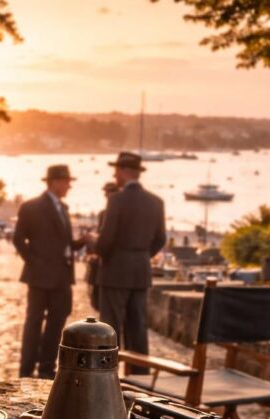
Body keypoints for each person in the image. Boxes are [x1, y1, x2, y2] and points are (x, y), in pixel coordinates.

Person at [13, 164, 90, 379]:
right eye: (66, 182)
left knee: (58, 320)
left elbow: (63, 242)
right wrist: (34, 262)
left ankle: (46, 367)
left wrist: (79, 242)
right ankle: (26, 369)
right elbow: (18, 239)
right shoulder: (31, 206)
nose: (69, 186)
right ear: (54, 182)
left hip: (62, 277)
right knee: (34, 321)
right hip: (39, 276)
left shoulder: (63, 208)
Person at [96, 152, 167, 372]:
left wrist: (97, 248)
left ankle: (106, 377)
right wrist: (142, 255)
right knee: (138, 327)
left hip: (115, 271)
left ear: (124, 172)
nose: (114, 175)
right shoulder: (156, 202)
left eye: (116, 170)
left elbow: (106, 239)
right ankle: (140, 378)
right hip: (140, 270)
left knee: (110, 328)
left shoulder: (116, 200)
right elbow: (161, 238)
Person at [86, 181, 119, 310]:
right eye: (106, 194)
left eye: (109, 193)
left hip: (114, 264)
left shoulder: (118, 213)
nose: (107, 197)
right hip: (101, 263)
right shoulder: (102, 214)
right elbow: (101, 234)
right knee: (98, 301)